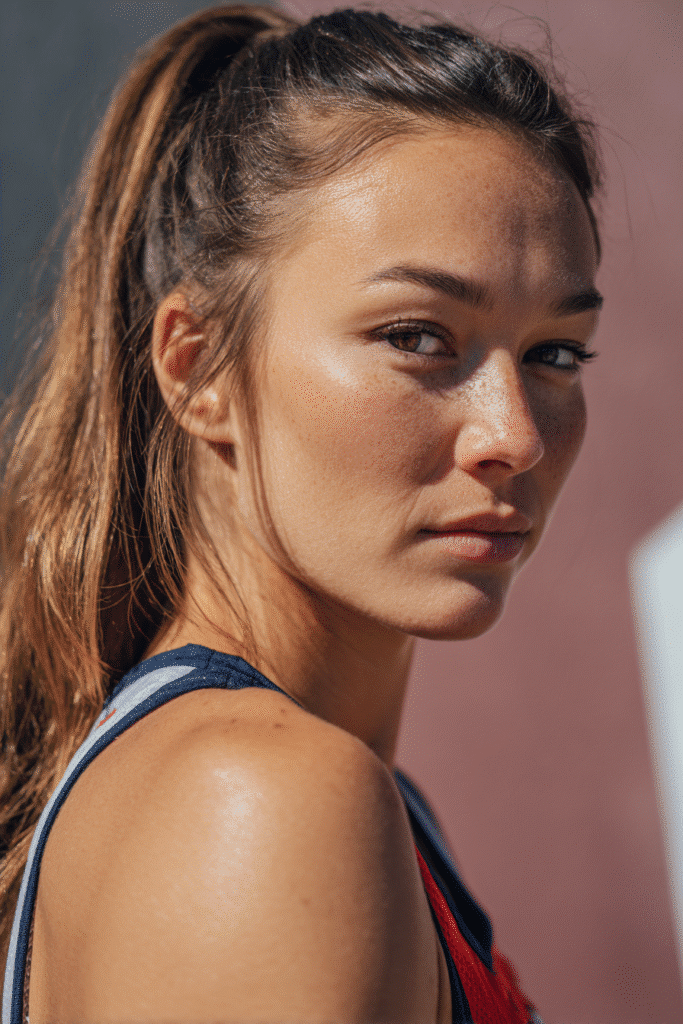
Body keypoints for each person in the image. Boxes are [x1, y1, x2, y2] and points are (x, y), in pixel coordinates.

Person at [0, 4, 602, 1021]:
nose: (515, 434)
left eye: (553, 353)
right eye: (417, 336)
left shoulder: (342, 800)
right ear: (198, 368)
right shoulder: (260, 803)